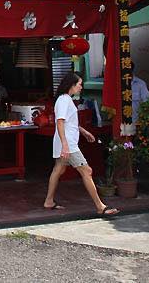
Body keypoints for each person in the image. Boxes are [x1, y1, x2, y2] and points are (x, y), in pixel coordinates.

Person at [44, 71, 119, 217]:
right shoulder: (64, 100)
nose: (81, 87)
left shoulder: (64, 99)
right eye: (79, 84)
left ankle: (49, 201)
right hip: (69, 144)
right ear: (72, 85)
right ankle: (100, 206)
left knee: (58, 170)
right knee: (87, 171)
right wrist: (65, 145)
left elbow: (67, 122)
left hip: (65, 142)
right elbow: (59, 122)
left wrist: (84, 132)